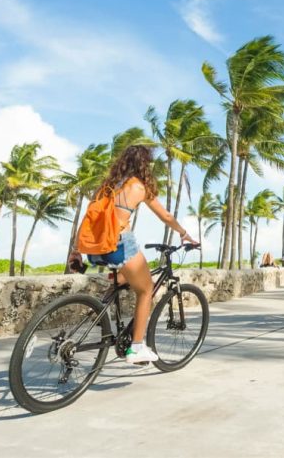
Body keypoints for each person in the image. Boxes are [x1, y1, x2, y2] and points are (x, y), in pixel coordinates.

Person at [70, 144, 197, 364]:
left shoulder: (106, 186)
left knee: (126, 278)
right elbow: (165, 216)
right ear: (144, 165)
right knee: (146, 289)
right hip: (120, 244)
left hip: (96, 248)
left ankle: (105, 306)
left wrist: (76, 250)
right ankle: (137, 347)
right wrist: (184, 233)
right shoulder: (139, 187)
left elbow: (88, 218)